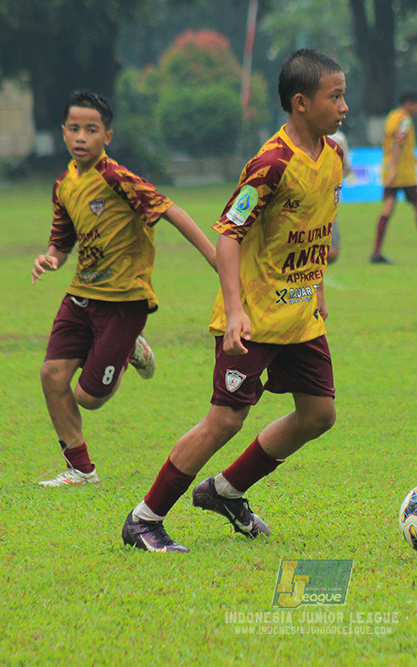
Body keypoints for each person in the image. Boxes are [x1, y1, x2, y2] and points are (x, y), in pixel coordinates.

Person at [121, 49, 347, 553]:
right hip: (255, 317)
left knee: (318, 414)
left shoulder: (332, 158)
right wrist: (236, 309)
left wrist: (319, 290)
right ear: (301, 102)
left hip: (300, 315)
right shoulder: (271, 163)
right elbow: (229, 235)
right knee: (225, 419)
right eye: (336, 96)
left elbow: (315, 229)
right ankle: (144, 518)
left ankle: (226, 491)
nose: (344, 106)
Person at [31, 90, 217, 487]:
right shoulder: (64, 184)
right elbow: (62, 242)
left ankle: (132, 344)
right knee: (52, 375)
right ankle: (81, 470)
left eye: (91, 130)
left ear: (107, 137)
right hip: (81, 294)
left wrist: (213, 257)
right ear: (63, 132)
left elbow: (171, 210)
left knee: (88, 398)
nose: (82, 137)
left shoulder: (116, 178)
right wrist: (49, 257)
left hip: (123, 301)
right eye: (75, 128)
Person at [370, 90, 417, 264]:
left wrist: (416, 160)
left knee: (387, 208)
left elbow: (391, 144)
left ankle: (376, 252)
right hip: (403, 173)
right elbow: (398, 143)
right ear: (409, 104)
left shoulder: (392, 117)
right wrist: (396, 170)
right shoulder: (404, 120)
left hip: (390, 167)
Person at [327, 127, 352, 263]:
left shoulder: (338, 138)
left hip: (328, 199)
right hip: (306, 202)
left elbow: (346, 167)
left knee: (332, 253)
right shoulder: (303, 136)